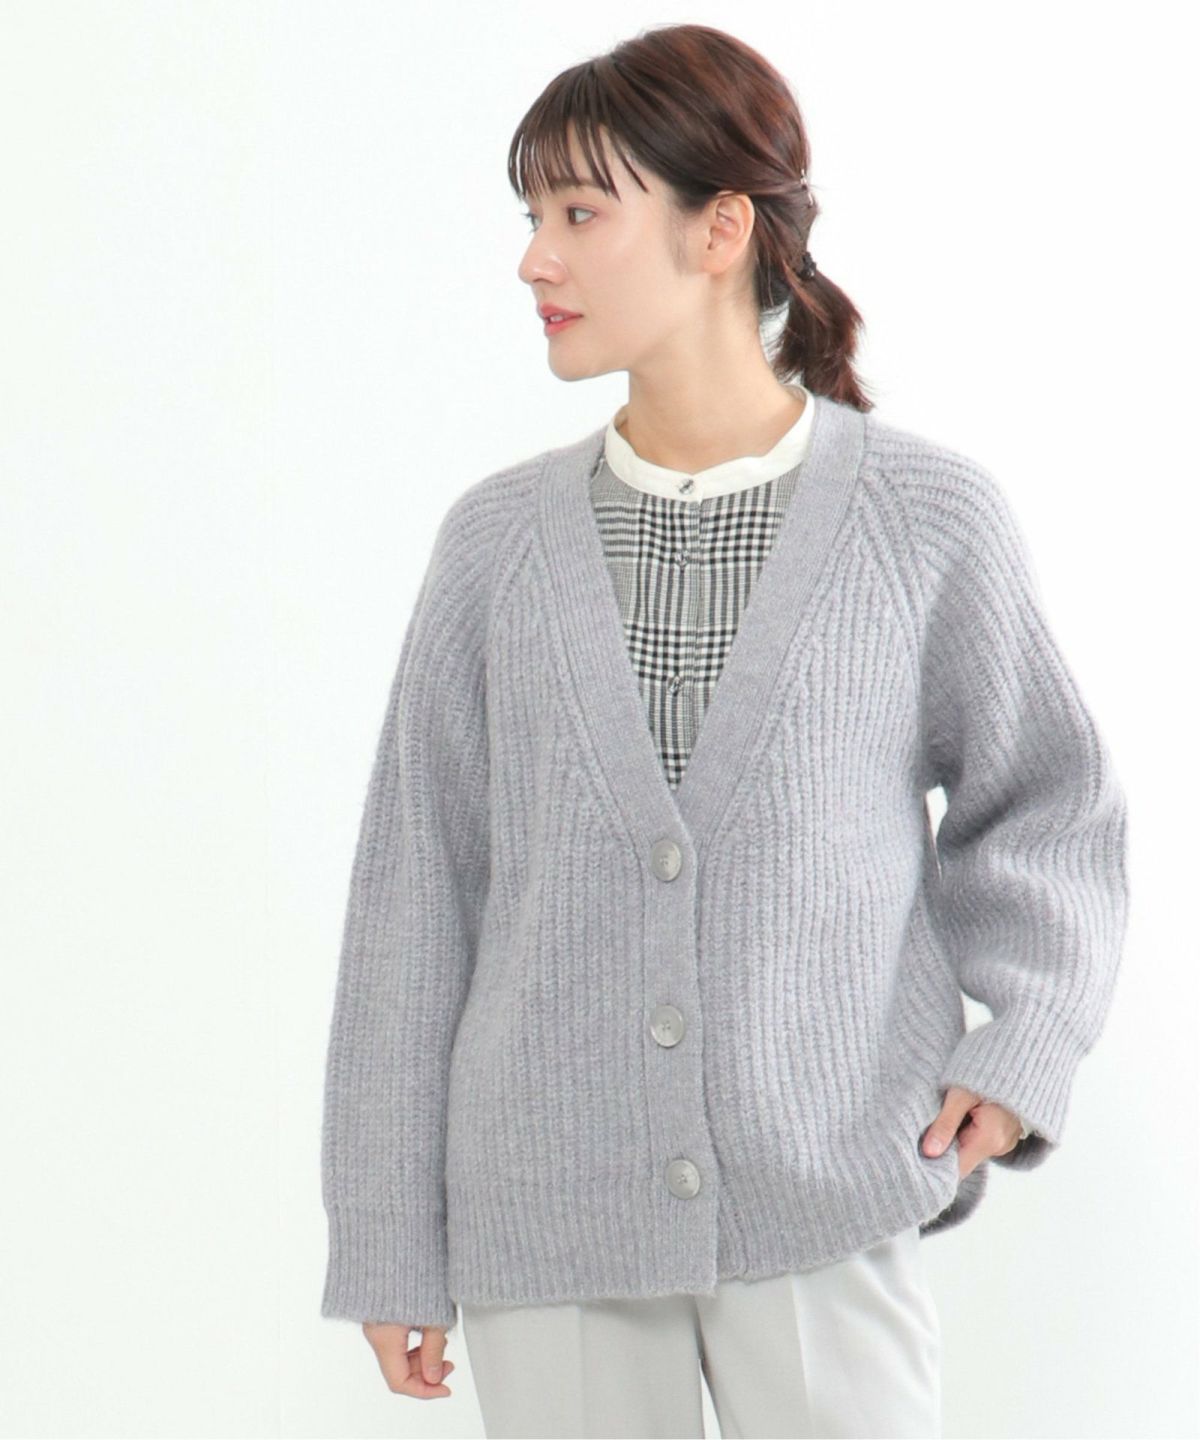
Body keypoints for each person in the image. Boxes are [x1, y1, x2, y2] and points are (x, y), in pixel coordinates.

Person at [318, 22, 1129, 1439]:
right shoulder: (495, 547)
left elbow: (1050, 806)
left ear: (721, 229)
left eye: (580, 213)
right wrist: (385, 1231)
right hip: (546, 1220)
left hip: (829, 1187)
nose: (535, 260)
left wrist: (1021, 1052)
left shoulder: (923, 520)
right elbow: (415, 896)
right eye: (530, 218)